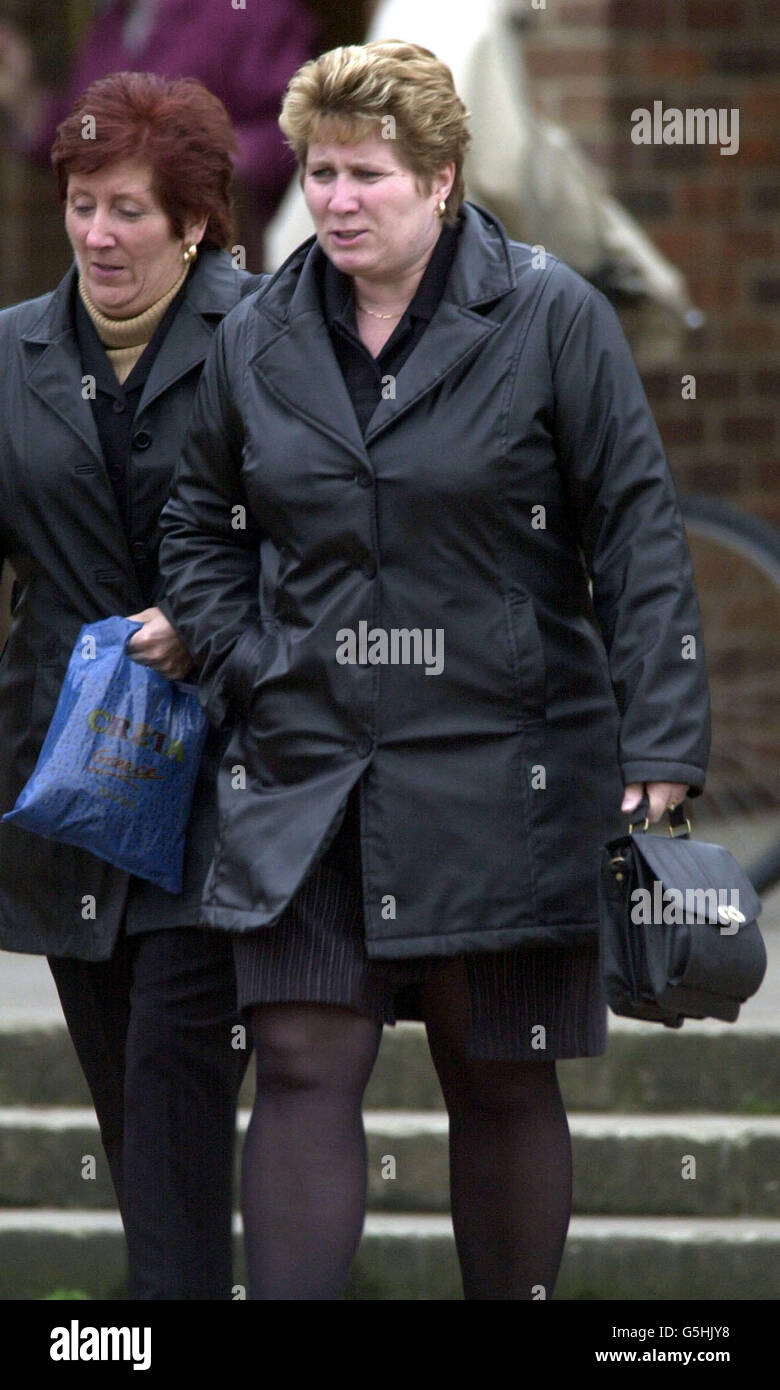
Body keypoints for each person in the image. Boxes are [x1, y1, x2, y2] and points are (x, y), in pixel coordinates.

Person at [158, 40, 710, 1301]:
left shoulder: (549, 314)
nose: (337, 199)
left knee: (500, 1071)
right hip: (311, 770)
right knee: (299, 1059)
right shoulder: (257, 332)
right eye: (319, 172)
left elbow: (634, 528)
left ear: (443, 179)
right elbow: (197, 525)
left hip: (503, 764)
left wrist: (664, 746)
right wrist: (253, 656)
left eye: (368, 175)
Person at [0, 71, 265, 1299]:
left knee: (172, 1069)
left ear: (197, 222)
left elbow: (331, 549)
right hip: (68, 788)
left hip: (224, 779)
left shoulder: (271, 338)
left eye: (130, 212)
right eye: (82, 205)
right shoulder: (10, 354)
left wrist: (210, 622)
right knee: (133, 1108)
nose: (99, 235)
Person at [265, 0, 702, 361]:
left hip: (307, 271)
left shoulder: (416, 11)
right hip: (379, 291)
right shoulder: (475, 19)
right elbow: (509, 170)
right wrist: (623, 269)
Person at [0, 0, 320, 262]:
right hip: (123, 261)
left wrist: (192, 166)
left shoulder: (251, 10)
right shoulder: (112, 21)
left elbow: (293, 131)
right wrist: (21, 97)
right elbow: (87, 135)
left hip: (216, 259)